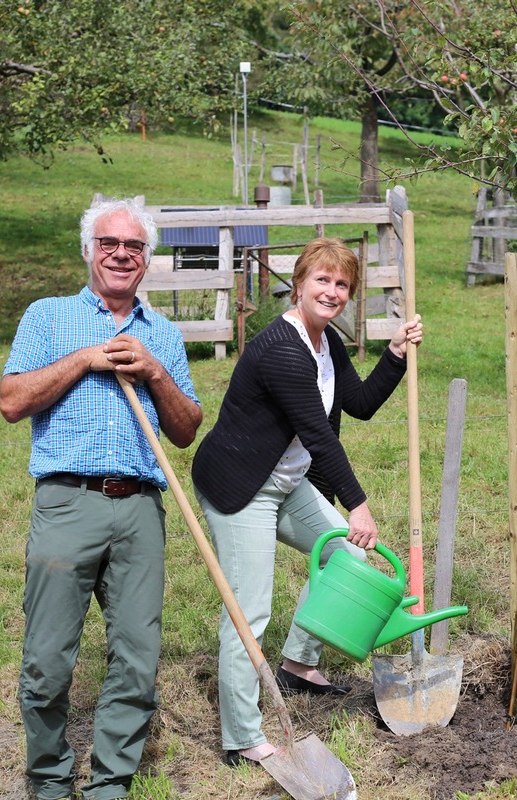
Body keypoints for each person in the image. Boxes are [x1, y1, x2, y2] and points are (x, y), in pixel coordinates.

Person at [190, 237, 423, 766]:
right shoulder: (280, 349)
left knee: (347, 559)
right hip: (239, 486)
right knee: (249, 611)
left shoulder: (326, 343)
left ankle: (298, 663)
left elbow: (358, 405)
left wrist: (394, 355)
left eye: (342, 284)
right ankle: (242, 737)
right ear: (297, 285)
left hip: (286, 480)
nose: (332, 291)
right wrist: (357, 505)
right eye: (322, 280)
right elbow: (319, 435)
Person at [0, 197, 202, 800]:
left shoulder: (161, 334)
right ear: (89, 250)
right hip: (68, 503)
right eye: (110, 243)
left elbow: (188, 429)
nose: (121, 254)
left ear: (147, 260)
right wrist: (87, 359)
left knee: (138, 658)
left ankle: (111, 783)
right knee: (47, 662)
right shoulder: (49, 316)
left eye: (134, 247)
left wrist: (155, 372)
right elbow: (12, 400)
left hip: (140, 508)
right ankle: (50, 780)